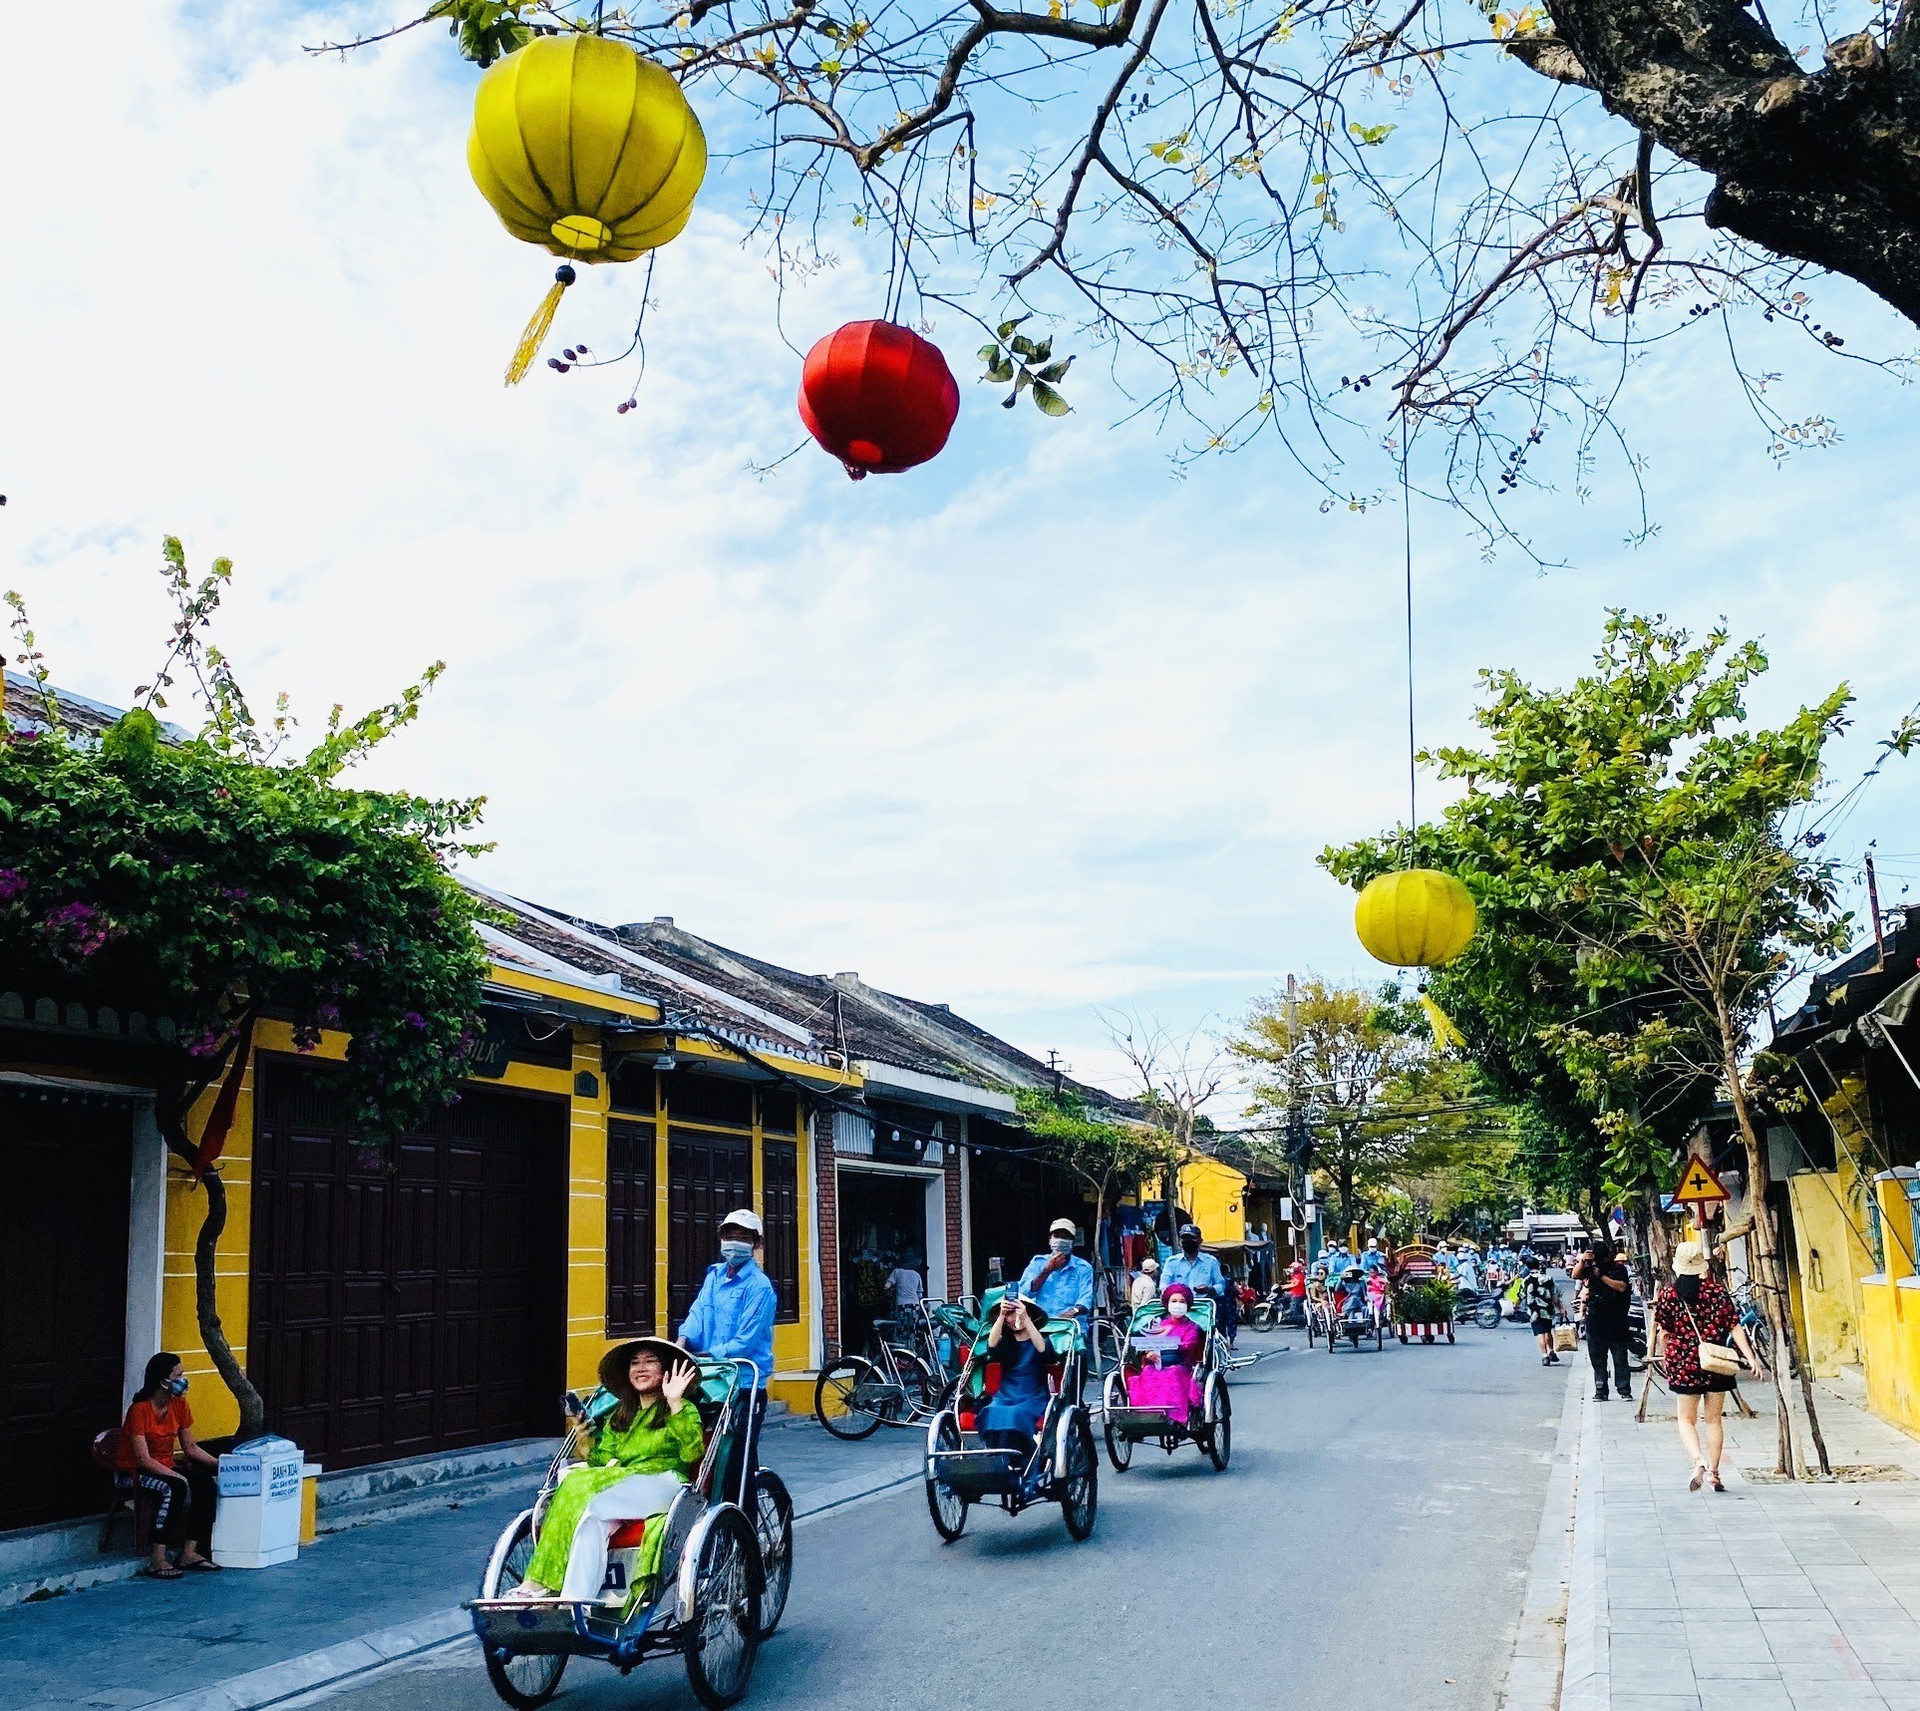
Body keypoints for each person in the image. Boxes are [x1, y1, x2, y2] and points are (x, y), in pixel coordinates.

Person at [512, 1339, 705, 1601]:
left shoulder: (683, 1409)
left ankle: (539, 1581)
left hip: (664, 1483)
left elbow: (692, 1453)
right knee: (591, 1519)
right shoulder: (621, 1415)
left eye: (650, 1361)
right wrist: (584, 1438)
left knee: (580, 1487)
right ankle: (575, 1601)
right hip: (624, 1483)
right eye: (635, 1363)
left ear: (665, 1370)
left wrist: (674, 1403)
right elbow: (603, 1460)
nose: (641, 1368)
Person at [677, 1207, 776, 1503]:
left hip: (744, 1383)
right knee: (703, 1456)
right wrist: (682, 1340)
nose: (735, 1242)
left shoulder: (760, 1287)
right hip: (709, 1381)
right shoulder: (714, 1276)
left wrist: (710, 1353)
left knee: (738, 1465)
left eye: (743, 1237)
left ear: (756, 1244)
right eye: (730, 1235)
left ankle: (745, 1536)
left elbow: (745, 1341)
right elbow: (698, 1312)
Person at [1652, 1241, 1763, 1491]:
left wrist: (1666, 1354)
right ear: (1701, 1267)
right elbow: (1735, 1326)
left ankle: (1697, 1460)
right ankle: (1714, 1472)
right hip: (1716, 1361)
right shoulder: (1716, 1291)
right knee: (1713, 1420)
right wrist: (1750, 1357)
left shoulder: (1668, 1295)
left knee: (1686, 1419)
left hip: (1684, 1362)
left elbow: (1664, 1332)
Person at [117, 1353, 220, 1579]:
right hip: (134, 1472)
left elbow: (190, 1448)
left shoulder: (179, 1405)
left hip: (165, 1466)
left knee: (206, 1485)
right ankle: (157, 1558)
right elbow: (143, 1459)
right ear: (162, 1381)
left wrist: (222, 1465)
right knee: (175, 1487)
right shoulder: (139, 1410)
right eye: (178, 1376)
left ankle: (189, 1552)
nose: (183, 1380)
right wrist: (179, 1478)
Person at [980, 1292, 1054, 1457]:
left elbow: (1042, 1349)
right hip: (1006, 1394)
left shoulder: (1041, 1339)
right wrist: (1001, 1316)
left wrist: (1026, 1318)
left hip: (1032, 1395)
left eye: (1016, 1313)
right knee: (992, 1410)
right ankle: (997, 1457)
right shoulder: (1005, 1342)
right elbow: (991, 1346)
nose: (1014, 1319)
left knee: (1015, 1414)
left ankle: (1016, 1458)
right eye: (1010, 1315)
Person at [1127, 1282, 1206, 1421]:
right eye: (1174, 1301)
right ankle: (1148, 1416)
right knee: (1147, 1372)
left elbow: (1189, 1345)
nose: (1178, 1304)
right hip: (1156, 1362)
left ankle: (1174, 1416)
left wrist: (1172, 1346)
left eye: (1182, 1301)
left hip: (1180, 1364)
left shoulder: (1191, 1327)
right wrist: (1149, 1353)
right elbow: (1149, 1344)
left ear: (1187, 1305)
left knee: (1172, 1374)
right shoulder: (1159, 1324)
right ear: (1167, 1304)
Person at [1570, 1236, 1634, 1400]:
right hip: (1595, 1319)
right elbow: (1575, 1275)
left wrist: (1601, 1277)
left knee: (1620, 1358)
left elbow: (1621, 1287)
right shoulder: (1590, 1268)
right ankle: (1600, 1390)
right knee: (1597, 1359)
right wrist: (1583, 1261)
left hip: (1616, 1320)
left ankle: (1624, 1389)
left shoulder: (1617, 1269)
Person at [1019, 1218, 1095, 1321]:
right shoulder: (1038, 1263)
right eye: (1057, 1236)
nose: (1060, 1240)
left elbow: (1086, 1298)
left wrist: (1073, 1311)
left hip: (1071, 1326)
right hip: (1041, 1325)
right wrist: (1047, 1270)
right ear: (1050, 1239)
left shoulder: (1083, 1268)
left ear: (1072, 1242)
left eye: (1065, 1236)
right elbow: (1024, 1292)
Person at [1160, 1224, 1227, 1299]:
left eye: (1192, 1238)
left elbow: (1221, 1285)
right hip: (1179, 1305)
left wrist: (1209, 1289)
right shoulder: (1171, 1262)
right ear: (1180, 1241)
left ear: (1200, 1241)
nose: (1188, 1241)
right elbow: (1164, 1284)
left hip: (1204, 1306)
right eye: (1185, 1239)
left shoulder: (1211, 1261)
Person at [1523, 1256, 1562, 1366]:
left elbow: (1521, 1295)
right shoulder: (1548, 1279)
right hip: (1547, 1309)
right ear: (1538, 1265)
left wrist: (1514, 1306)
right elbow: (1555, 1296)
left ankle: (1545, 1356)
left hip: (1533, 1311)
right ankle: (1551, 1350)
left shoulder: (1525, 1281)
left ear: (1527, 1267)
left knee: (1540, 1333)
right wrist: (1561, 1308)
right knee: (1548, 1331)